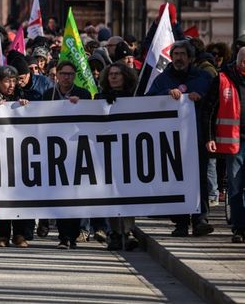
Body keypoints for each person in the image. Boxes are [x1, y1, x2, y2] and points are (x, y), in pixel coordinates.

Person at [147, 40, 214, 237]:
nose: (178, 58)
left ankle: (200, 220)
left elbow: (212, 96)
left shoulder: (202, 77)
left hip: (197, 138)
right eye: (175, 54)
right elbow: (148, 100)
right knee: (176, 180)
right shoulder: (162, 80)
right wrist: (166, 95)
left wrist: (199, 94)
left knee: (200, 179)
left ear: (191, 58)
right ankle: (181, 223)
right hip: (171, 141)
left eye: (182, 54)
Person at [0, 65, 32, 248]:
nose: (11, 85)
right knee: (1, 195)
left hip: (20, 154)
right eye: (7, 81)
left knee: (19, 195)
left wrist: (25, 107)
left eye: (14, 80)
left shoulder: (23, 95)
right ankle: (3, 234)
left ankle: (19, 234)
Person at [45, 60, 91, 248]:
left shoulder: (83, 94)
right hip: (55, 151)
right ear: (57, 75)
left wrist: (80, 105)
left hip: (77, 150)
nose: (67, 77)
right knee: (61, 196)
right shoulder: (49, 95)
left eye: (70, 74)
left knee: (76, 196)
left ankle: (73, 235)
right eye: (63, 74)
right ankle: (64, 237)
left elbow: (91, 118)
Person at [202, 46, 245, 243]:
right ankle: (239, 228)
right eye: (243, 61)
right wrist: (209, 137)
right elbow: (209, 110)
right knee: (235, 187)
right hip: (235, 143)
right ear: (237, 61)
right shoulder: (222, 79)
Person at [96, 62, 140, 251]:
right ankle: (114, 232)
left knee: (127, 193)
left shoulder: (135, 99)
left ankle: (127, 231)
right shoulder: (99, 98)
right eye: (111, 74)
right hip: (106, 151)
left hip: (128, 150)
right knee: (111, 193)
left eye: (118, 74)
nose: (113, 77)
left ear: (125, 77)